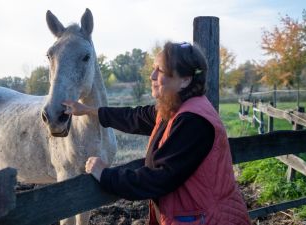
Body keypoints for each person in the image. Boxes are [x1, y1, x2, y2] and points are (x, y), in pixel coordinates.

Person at [62, 41, 250, 224]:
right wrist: (88, 110)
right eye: (153, 68)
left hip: (207, 219)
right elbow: (134, 117)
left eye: (160, 70)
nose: (152, 76)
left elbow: (157, 179)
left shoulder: (193, 121)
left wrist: (104, 174)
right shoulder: (176, 107)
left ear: (185, 80)